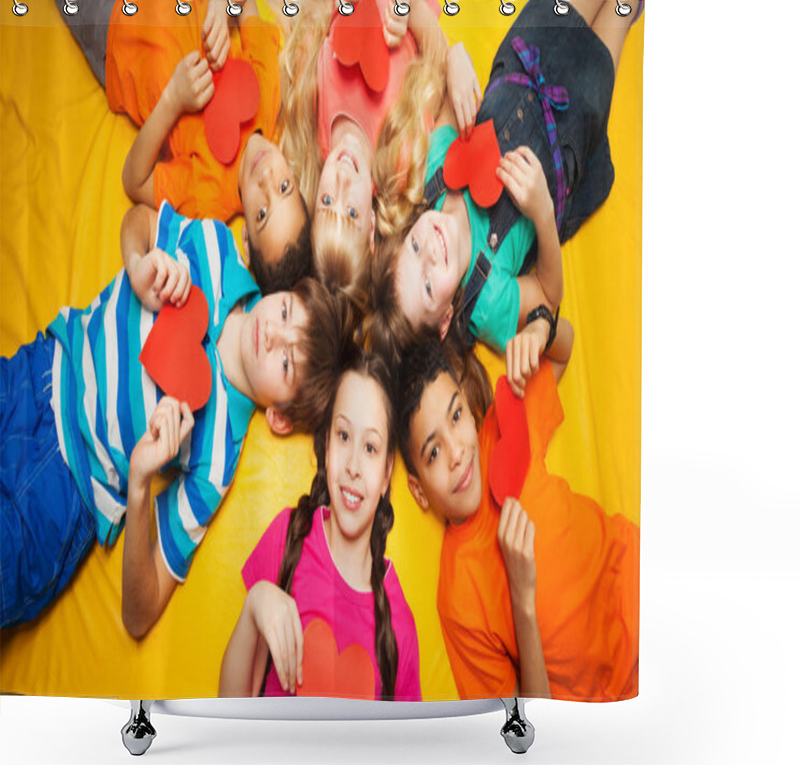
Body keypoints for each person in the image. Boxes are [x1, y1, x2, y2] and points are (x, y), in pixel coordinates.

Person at [0, 200, 351, 636]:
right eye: (285, 313)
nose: (274, 335)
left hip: (59, 494)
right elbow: (139, 221)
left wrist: (140, 483)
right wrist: (139, 262)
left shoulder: (218, 460)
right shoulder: (214, 247)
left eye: (286, 364)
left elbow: (138, 615)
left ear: (279, 417)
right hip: (36, 372)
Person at [370, 0, 641, 370]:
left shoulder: (430, 179)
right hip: (575, 120)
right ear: (446, 320)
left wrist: (455, 62)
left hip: (529, 53)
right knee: (620, 12)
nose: (430, 251)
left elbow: (452, 96)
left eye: (414, 247)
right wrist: (542, 212)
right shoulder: (487, 303)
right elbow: (549, 295)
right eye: (429, 286)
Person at [395, 336, 640, 700]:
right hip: (612, 704)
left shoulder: (502, 425)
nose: (457, 452)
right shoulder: (458, 599)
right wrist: (521, 596)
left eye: (456, 416)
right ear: (418, 491)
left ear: (467, 405)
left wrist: (541, 331)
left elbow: (565, 348)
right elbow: (523, 727)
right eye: (433, 452)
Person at [219, 348, 421, 701]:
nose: (353, 466)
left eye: (370, 448)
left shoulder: (399, 626)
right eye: (343, 436)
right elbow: (230, 711)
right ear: (327, 442)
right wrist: (255, 605)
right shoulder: (288, 537)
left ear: (388, 471)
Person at [74, 0, 312, 295]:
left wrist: (173, 99)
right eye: (284, 187)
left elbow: (133, 181)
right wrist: (221, 7)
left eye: (262, 213)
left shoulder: (207, 196)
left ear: (246, 242)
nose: (267, 179)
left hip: (117, 31)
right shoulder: (270, 91)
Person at [279, 0, 448, 306]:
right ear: (371, 227)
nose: (342, 180)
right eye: (352, 212)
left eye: (328, 201)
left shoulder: (311, 109)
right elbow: (439, 60)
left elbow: (318, 13)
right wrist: (412, 13)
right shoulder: (400, 158)